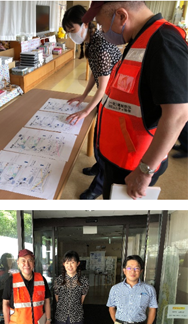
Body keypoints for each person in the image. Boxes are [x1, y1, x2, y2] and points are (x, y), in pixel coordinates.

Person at [82, 1, 188, 199]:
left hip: (134, 165)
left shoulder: (164, 42)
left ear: (122, 16)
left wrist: (145, 171)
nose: (104, 32)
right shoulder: (140, 38)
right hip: (119, 156)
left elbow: (178, 115)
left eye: (103, 25)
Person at [62, 5, 122, 200]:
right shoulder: (91, 40)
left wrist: (86, 111)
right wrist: (83, 96)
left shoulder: (100, 45)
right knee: (98, 136)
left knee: (105, 143)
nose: (71, 35)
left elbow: (104, 88)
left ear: (85, 24)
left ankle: (97, 187)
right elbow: (95, 74)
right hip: (108, 94)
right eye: (68, 31)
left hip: (115, 97)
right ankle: (98, 166)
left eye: (73, 29)